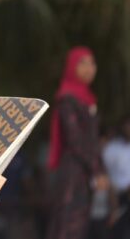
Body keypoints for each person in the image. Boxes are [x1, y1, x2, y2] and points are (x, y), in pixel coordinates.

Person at [46, 46, 109, 239]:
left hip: (84, 172)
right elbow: (75, 139)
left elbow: (93, 140)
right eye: (83, 63)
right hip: (73, 172)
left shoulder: (87, 99)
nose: (89, 68)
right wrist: (96, 170)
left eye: (92, 63)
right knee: (67, 226)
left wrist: (99, 169)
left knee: (79, 226)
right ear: (72, 66)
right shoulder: (67, 99)